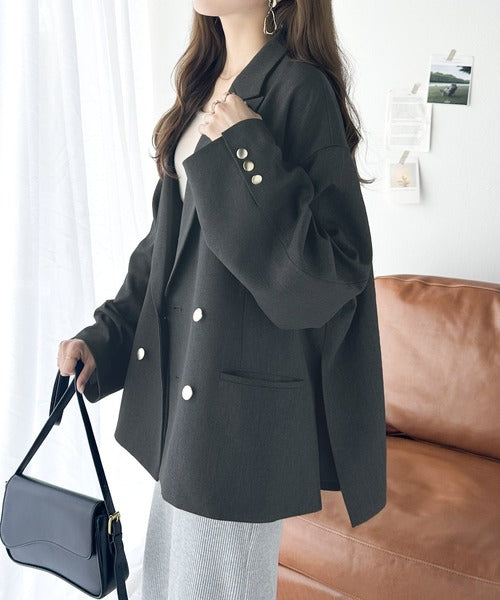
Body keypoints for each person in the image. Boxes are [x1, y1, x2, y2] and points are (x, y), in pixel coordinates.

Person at [58, 1, 385, 598]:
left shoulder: (300, 91)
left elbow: (334, 274)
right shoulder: (201, 86)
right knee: (164, 586)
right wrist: (104, 338)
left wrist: (246, 148)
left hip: (240, 425)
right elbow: (165, 251)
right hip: (182, 408)